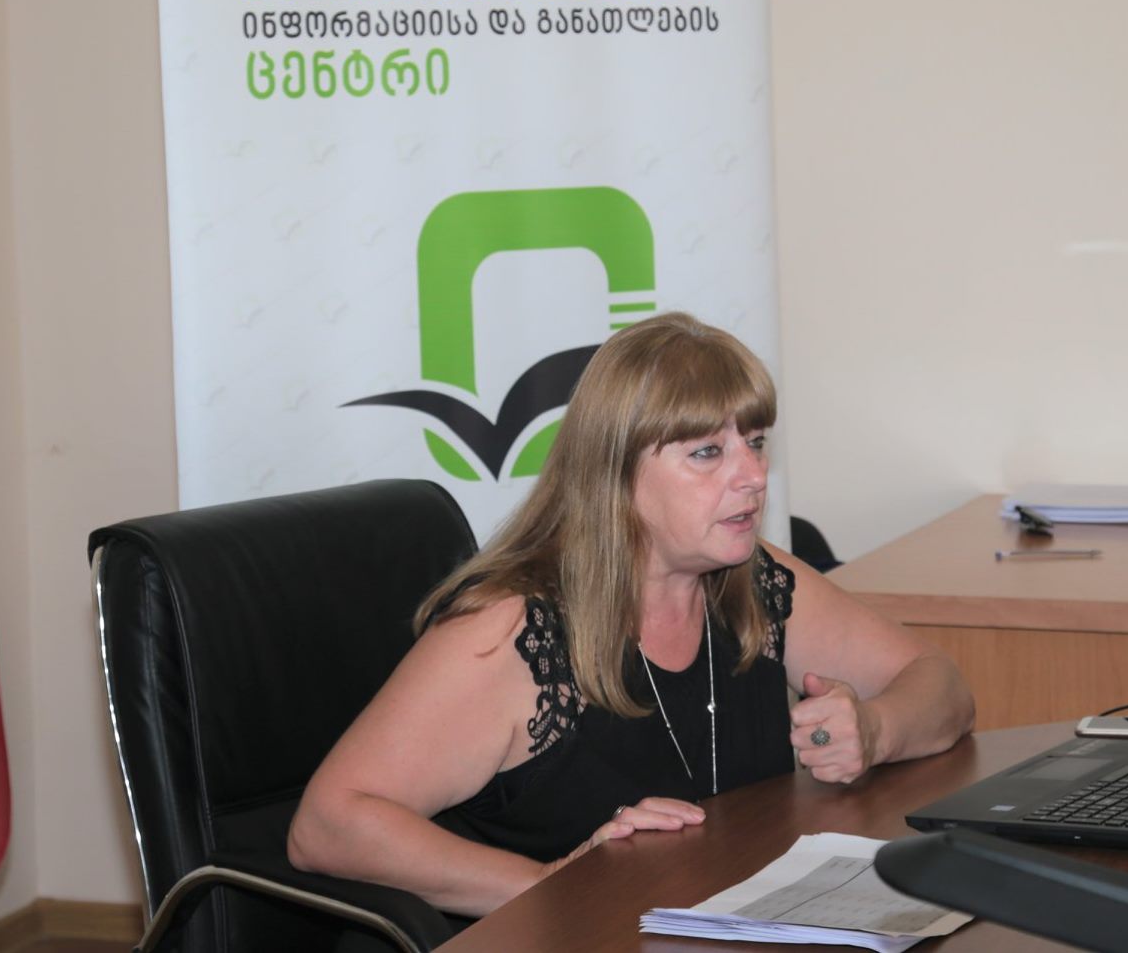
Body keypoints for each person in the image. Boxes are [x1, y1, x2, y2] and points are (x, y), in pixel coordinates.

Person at [288, 312, 975, 917]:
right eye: (707, 452)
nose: (753, 475)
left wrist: (875, 728)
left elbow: (941, 684)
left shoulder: (750, 578)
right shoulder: (509, 630)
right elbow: (328, 825)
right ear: (615, 472)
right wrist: (554, 887)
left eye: (756, 442)